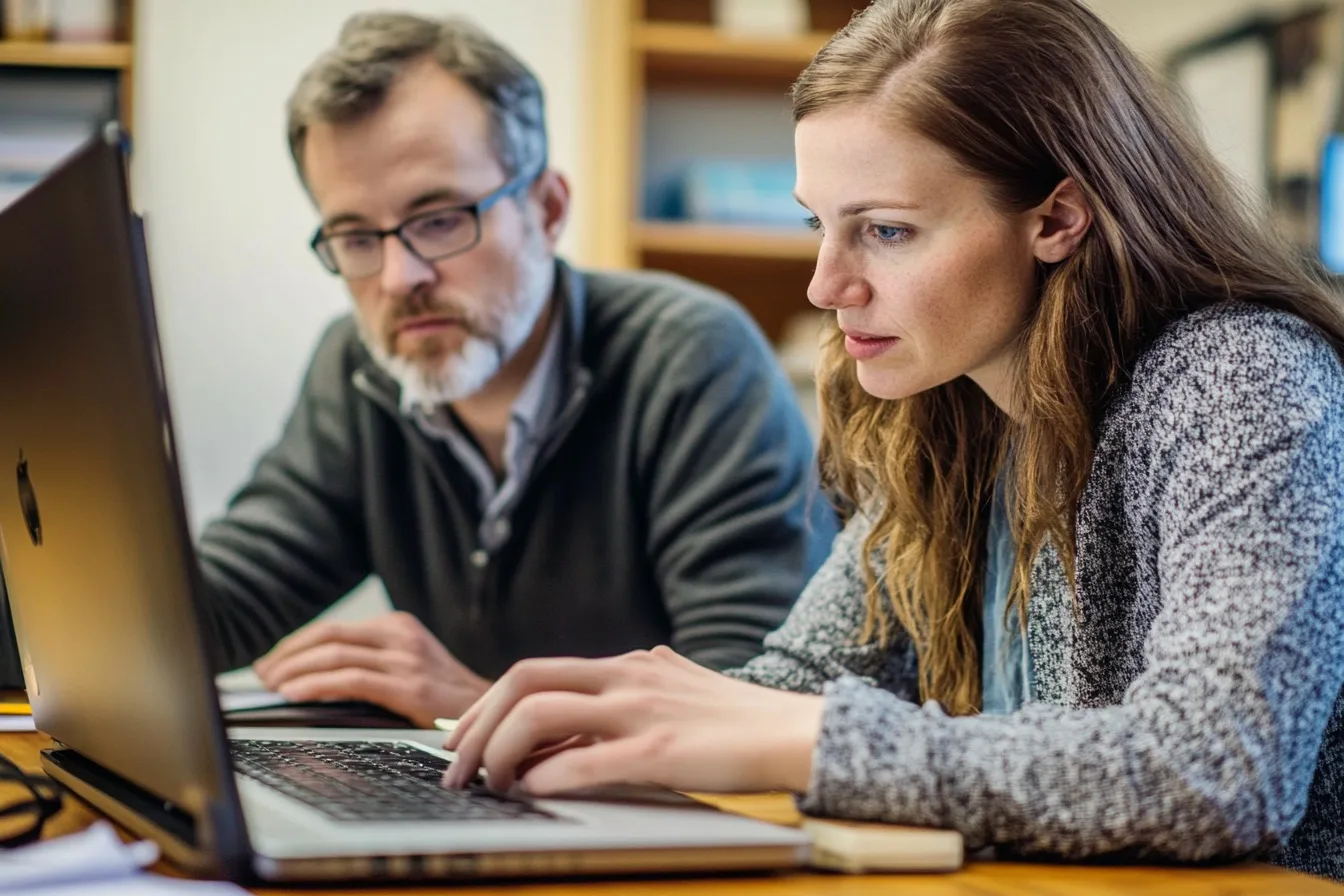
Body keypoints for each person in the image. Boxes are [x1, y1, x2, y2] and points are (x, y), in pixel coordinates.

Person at [442, 0, 1344, 880]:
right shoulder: (947, 406)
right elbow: (798, 683)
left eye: (885, 231)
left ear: (1057, 220)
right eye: (817, 225)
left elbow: (1217, 769)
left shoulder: (1243, 378)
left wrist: (809, 737)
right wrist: (599, 723)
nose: (827, 286)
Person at [196, 12, 838, 729]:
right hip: (479, 814)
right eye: (355, 237)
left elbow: (753, 706)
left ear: (547, 208)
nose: (399, 277)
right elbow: (219, 604)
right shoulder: (356, 369)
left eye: (439, 219)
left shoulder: (692, 359)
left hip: (665, 829)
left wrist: (476, 709)